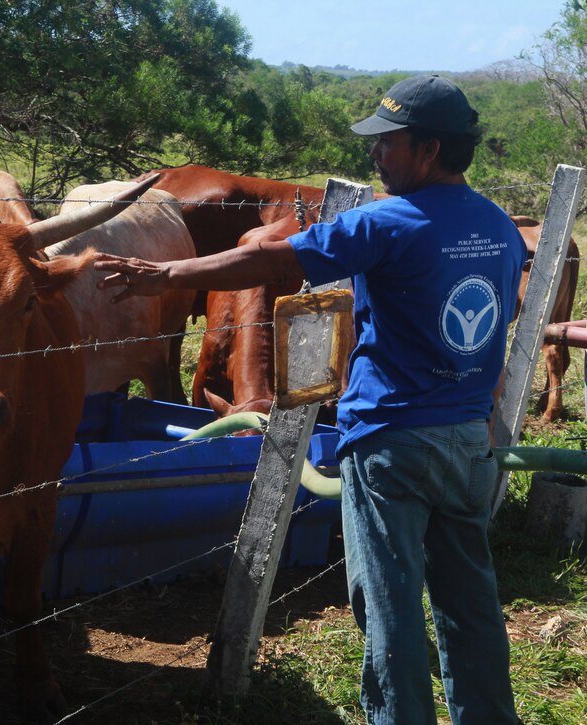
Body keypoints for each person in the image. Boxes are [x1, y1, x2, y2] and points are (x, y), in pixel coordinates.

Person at [95, 74, 523, 725]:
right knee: (471, 605)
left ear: (430, 149)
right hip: (470, 442)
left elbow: (273, 264)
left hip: (392, 447)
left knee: (390, 608)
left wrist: (165, 273)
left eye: (388, 143)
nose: (374, 155)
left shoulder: (388, 221)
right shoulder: (499, 226)